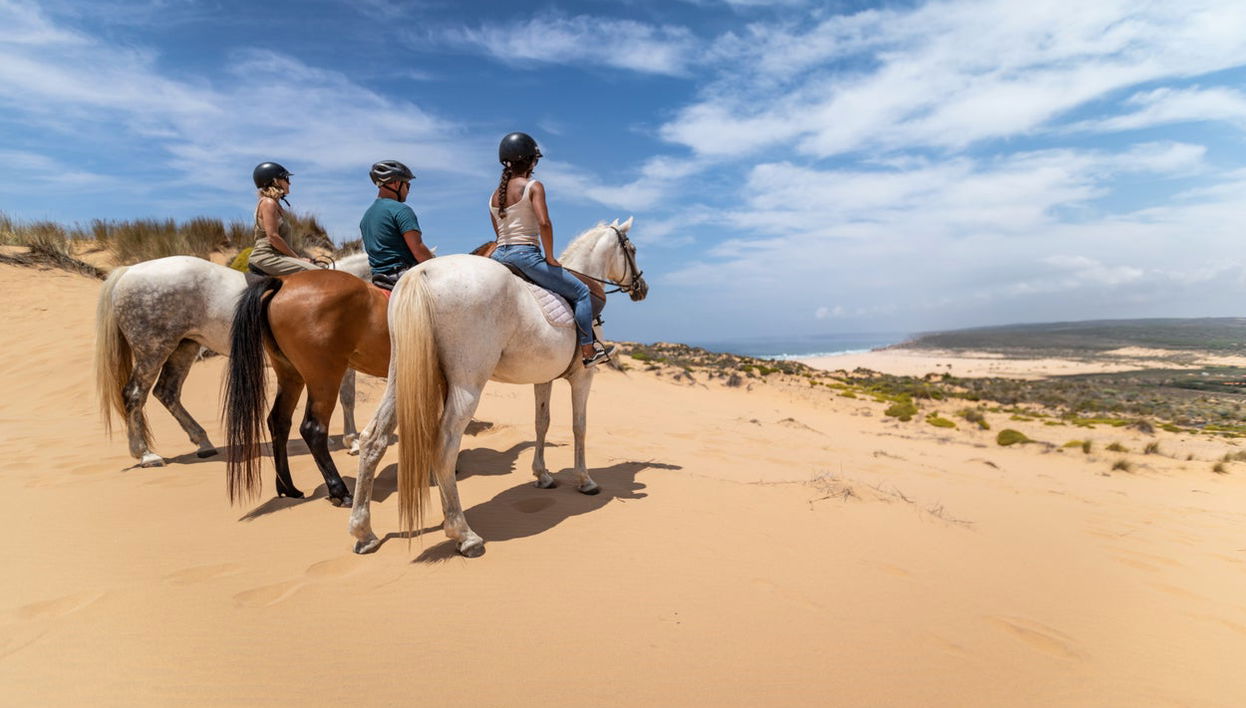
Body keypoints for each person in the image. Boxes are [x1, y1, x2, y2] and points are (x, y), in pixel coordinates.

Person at [488, 132, 614, 367]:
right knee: (582, 293)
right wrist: (549, 257)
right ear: (531, 161)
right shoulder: (533, 186)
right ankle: (587, 350)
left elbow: (498, 234)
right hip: (525, 255)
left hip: (498, 256)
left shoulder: (494, 196)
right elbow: (544, 223)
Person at [359, 160, 434, 290]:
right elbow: (418, 250)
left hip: (378, 278)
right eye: (407, 185)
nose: (408, 191)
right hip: (403, 277)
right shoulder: (401, 210)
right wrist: (436, 265)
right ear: (396, 183)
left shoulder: (366, 216)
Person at [248, 162, 319, 275]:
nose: (289, 183)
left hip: (278, 256)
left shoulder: (276, 205)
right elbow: (273, 237)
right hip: (267, 257)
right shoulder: (268, 203)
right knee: (317, 273)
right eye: (285, 179)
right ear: (275, 181)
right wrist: (298, 259)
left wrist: (299, 258)